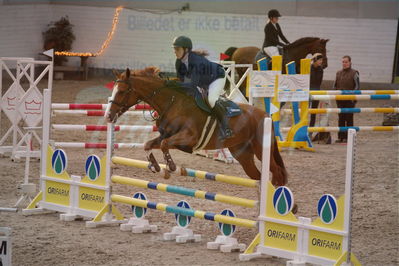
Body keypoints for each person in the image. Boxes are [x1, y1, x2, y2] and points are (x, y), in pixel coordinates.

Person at [171, 36, 233, 139]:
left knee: (211, 100)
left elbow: (192, 85)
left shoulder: (196, 61)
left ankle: (227, 128)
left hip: (217, 77)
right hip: (204, 81)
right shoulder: (179, 62)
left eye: (177, 49)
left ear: (186, 50)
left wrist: (171, 84)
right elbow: (180, 80)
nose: (175, 51)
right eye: (174, 49)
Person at [333, 55, 360, 143]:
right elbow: (334, 86)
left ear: (350, 62)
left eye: (346, 62)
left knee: (349, 118)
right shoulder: (338, 73)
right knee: (341, 118)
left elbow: (357, 86)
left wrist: (352, 96)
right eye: (343, 62)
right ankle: (341, 137)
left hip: (350, 99)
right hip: (340, 99)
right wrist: (335, 95)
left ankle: (349, 138)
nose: (344, 63)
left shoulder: (355, 73)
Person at [309, 53, 324, 128]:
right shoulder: (309, 68)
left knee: (313, 112)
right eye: (320, 60)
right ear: (315, 60)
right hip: (308, 91)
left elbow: (319, 82)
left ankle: (311, 130)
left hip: (316, 91)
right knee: (305, 111)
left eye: (321, 60)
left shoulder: (320, 69)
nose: (321, 62)